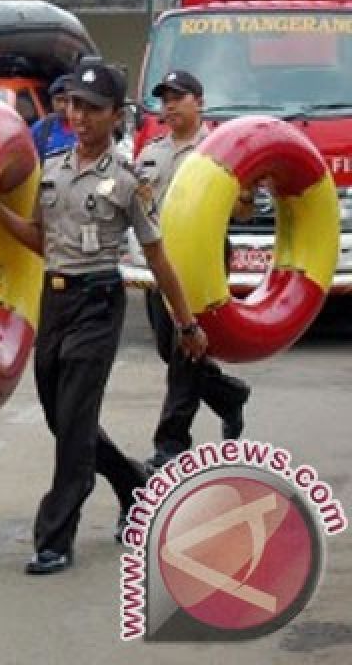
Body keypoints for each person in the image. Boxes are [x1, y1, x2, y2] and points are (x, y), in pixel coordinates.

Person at [0, 60, 208, 576]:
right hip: (55, 300)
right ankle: (134, 485)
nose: (77, 115)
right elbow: (41, 240)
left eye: (90, 108)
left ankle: (54, 537)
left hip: (98, 301)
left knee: (74, 423)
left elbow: (157, 257)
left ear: (114, 115)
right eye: (72, 105)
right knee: (59, 415)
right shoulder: (54, 167)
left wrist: (186, 322)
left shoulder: (130, 182)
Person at [139, 70, 251, 470]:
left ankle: (171, 443)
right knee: (169, 350)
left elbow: (242, 208)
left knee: (184, 350)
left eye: (178, 97)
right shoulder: (150, 152)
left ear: (199, 102)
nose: (169, 105)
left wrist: (246, 197)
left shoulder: (219, 150)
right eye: (164, 98)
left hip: (201, 259)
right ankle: (227, 395)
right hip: (160, 261)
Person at [28, 75, 75, 162]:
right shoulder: (41, 128)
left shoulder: (88, 127)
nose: (62, 106)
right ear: (52, 100)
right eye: (58, 100)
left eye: (67, 100)